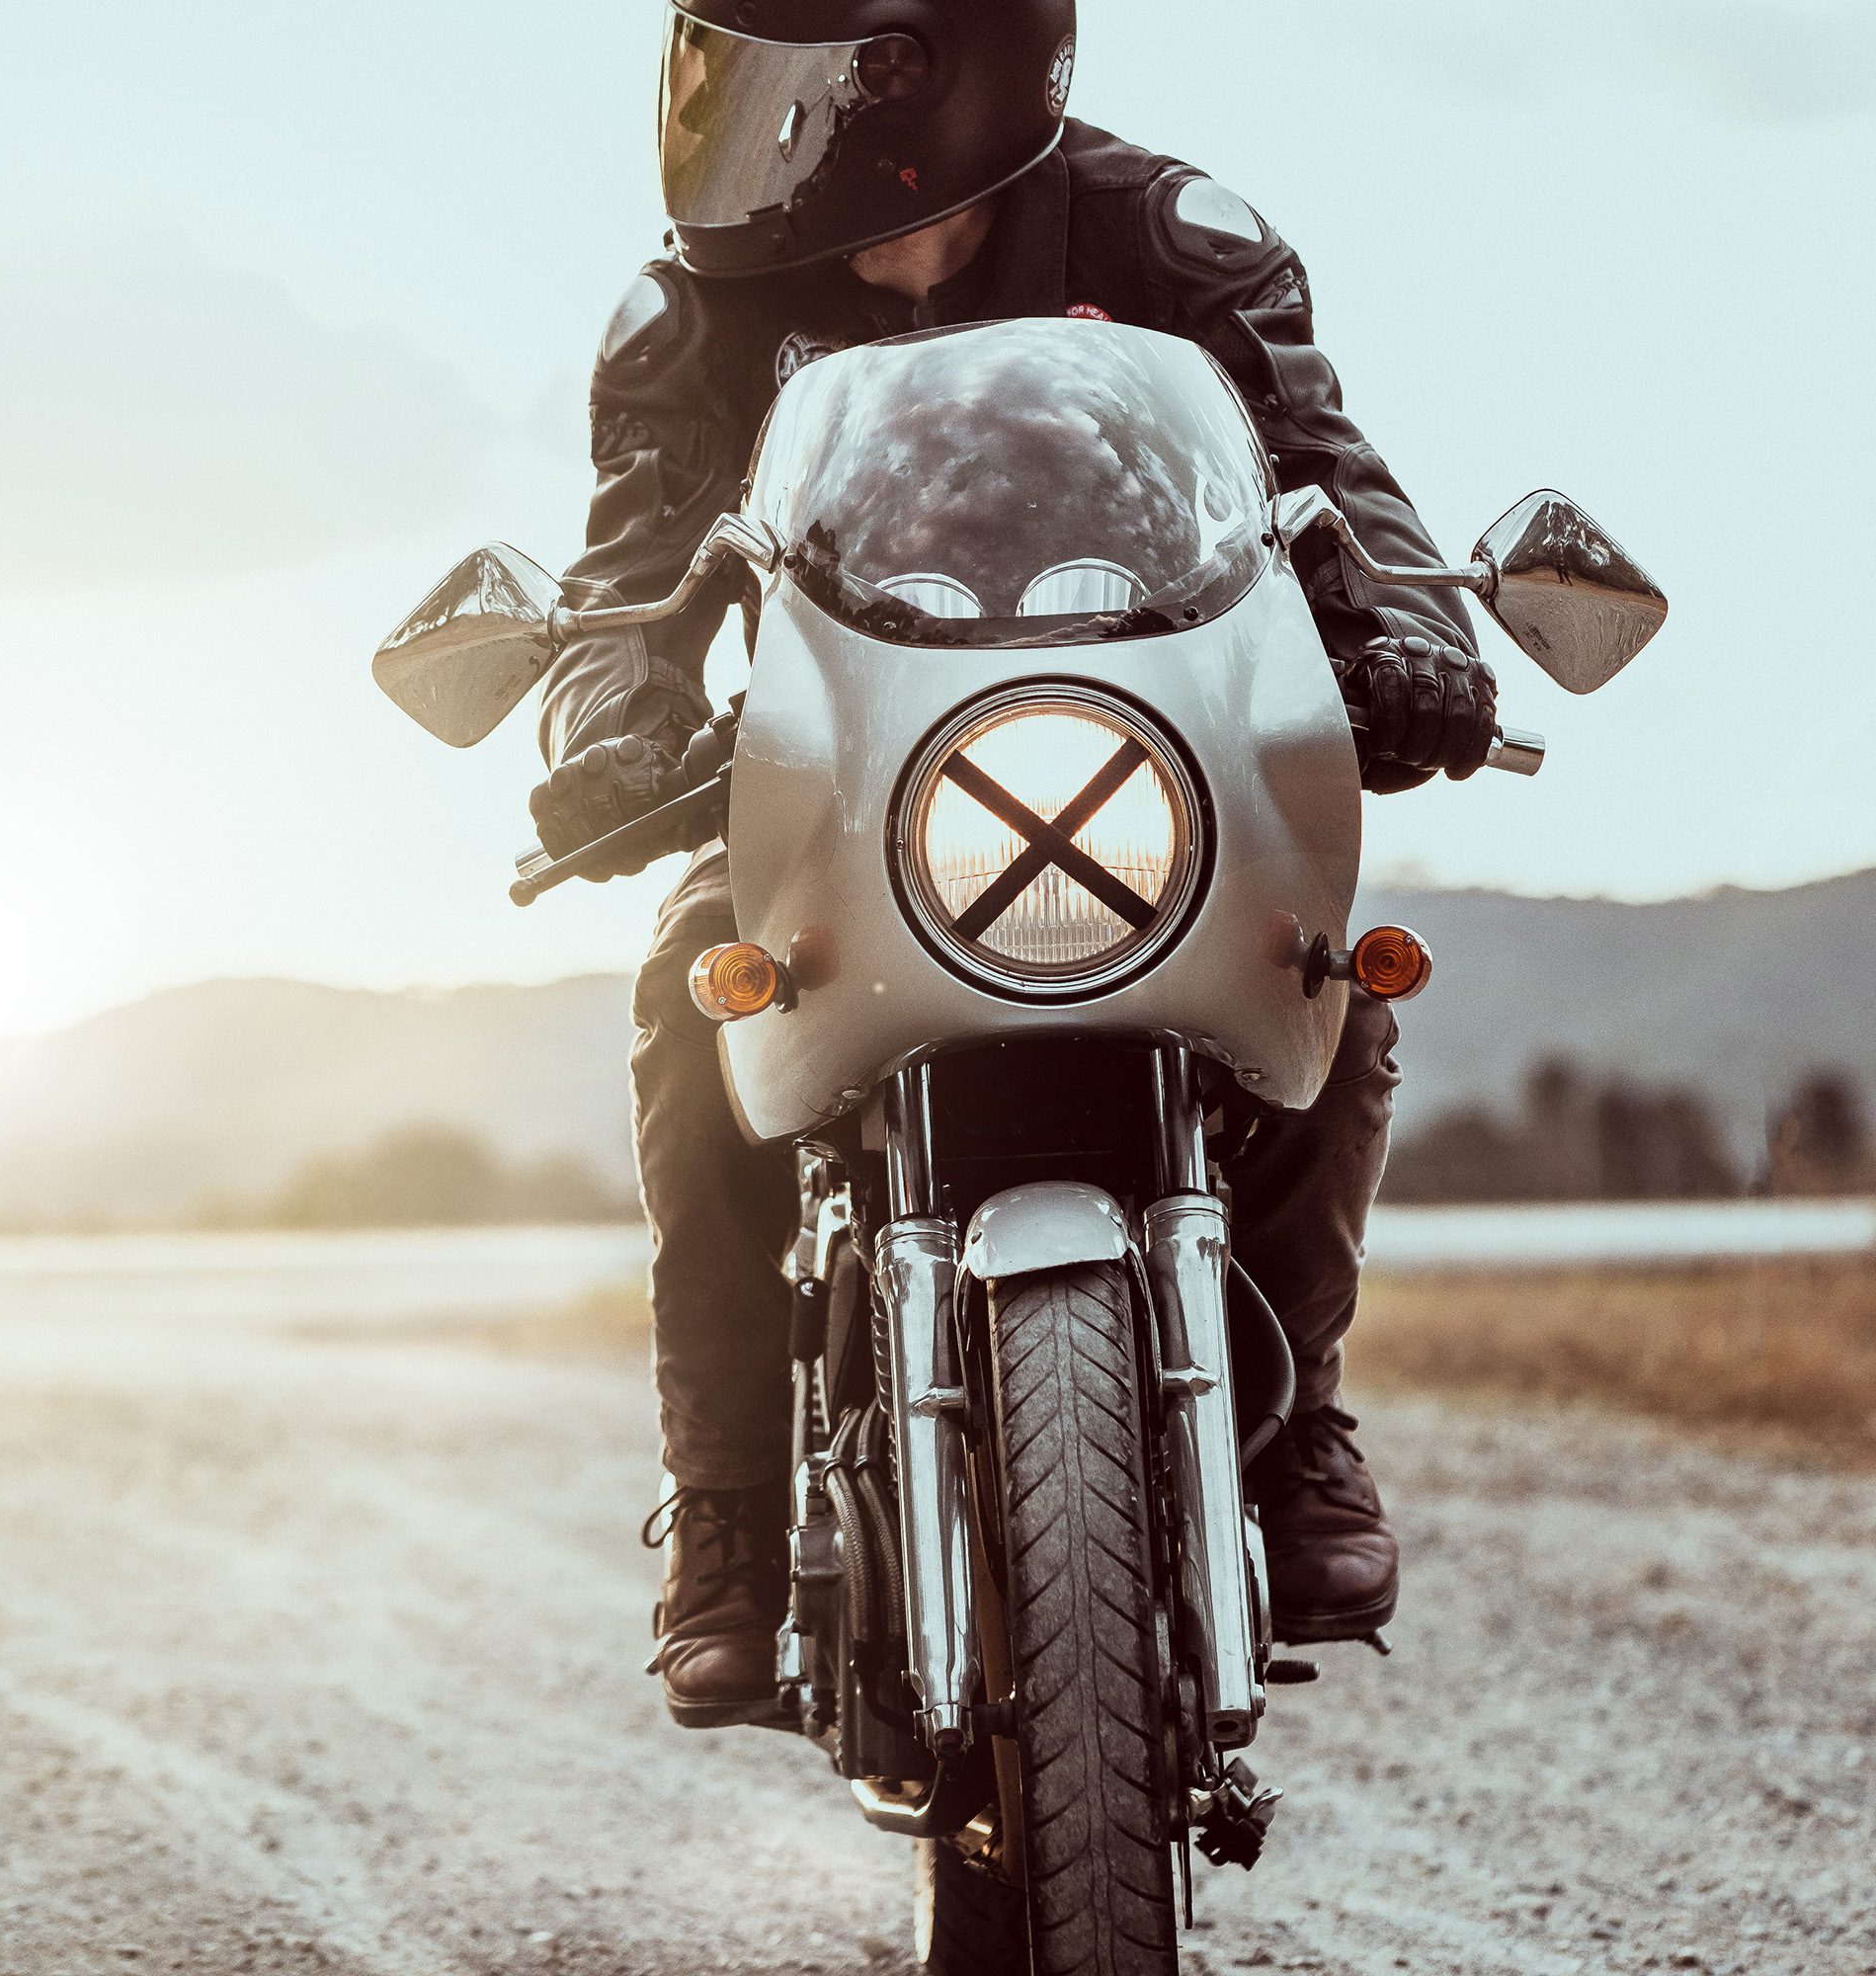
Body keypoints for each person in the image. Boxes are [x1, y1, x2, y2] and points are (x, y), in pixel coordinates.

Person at [530, 0, 1499, 1729]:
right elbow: (628, 572)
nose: (754, 130)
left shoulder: (1169, 243)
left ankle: (1300, 1429)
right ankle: (731, 1514)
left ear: (931, 74)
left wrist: (1413, 637)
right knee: (693, 1001)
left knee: (1326, 973)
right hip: (840, 790)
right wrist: (604, 718)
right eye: (728, 85)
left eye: (793, 87)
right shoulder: (694, 312)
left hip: (1150, 762)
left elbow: (1326, 476)